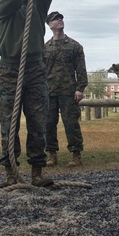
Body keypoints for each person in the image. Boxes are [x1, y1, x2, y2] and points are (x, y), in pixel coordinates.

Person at [0, 0, 53, 188]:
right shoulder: (4, 9)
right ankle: (11, 172)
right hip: (9, 70)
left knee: (38, 122)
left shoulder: (38, 9)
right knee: (9, 124)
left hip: (35, 69)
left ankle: (37, 171)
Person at [43, 12, 88, 168]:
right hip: (49, 92)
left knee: (71, 124)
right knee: (48, 124)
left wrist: (80, 88)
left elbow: (81, 70)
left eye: (61, 18)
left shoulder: (75, 46)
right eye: (56, 19)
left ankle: (76, 155)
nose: (60, 20)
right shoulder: (44, 48)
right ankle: (51, 155)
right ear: (50, 25)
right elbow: (41, 71)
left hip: (69, 92)